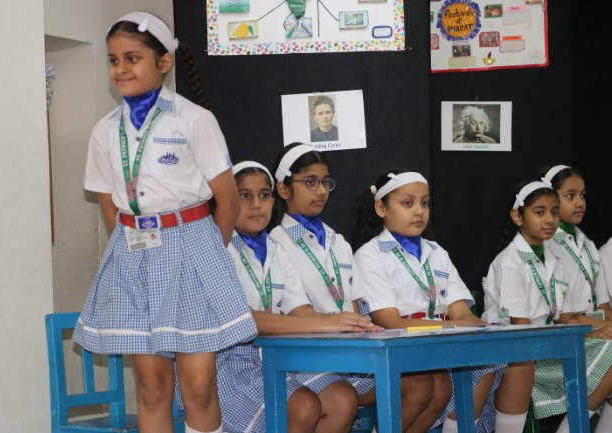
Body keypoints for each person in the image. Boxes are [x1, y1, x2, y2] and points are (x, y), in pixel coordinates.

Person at [71, 12, 258, 433]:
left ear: (164, 62)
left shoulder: (193, 120)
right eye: (113, 60)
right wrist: (133, 242)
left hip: (193, 247)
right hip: (134, 253)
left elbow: (227, 202)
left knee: (198, 386)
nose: (121, 69)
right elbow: (107, 201)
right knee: (152, 385)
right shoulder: (105, 131)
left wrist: (204, 254)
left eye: (132, 58)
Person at [269, 143, 439, 433]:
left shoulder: (339, 242)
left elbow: (357, 304)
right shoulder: (276, 243)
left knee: (423, 384)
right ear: (284, 189)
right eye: (310, 182)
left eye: (325, 182)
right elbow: (295, 314)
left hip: (350, 354)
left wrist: (365, 323)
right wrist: (340, 323)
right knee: (343, 399)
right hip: (305, 359)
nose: (321, 191)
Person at [214, 160, 382, 433]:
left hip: (271, 356)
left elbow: (301, 311)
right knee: (303, 406)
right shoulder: (218, 248)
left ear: (273, 201)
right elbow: (244, 320)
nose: (256, 204)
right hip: (226, 363)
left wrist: (350, 322)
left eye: (263, 195)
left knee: (341, 399)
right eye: (244, 196)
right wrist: (331, 323)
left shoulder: (274, 249)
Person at [351, 168, 523, 433]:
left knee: (487, 366)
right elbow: (390, 322)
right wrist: (452, 327)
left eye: (425, 203)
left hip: (436, 349)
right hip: (392, 352)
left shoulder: (437, 252)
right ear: (381, 208)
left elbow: (461, 311)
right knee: (433, 385)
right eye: (407, 203)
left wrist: (485, 330)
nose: (419, 211)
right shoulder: (370, 255)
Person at [482, 180, 612, 433]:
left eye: (554, 212)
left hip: (546, 344)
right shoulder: (510, 262)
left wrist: (594, 332)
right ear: (517, 216)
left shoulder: (553, 259)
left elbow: (564, 318)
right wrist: (589, 335)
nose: (550, 219)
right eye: (539, 212)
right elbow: (522, 329)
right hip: (516, 349)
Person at [538, 164, 612, 321]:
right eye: (570, 196)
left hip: (593, 325)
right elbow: (560, 319)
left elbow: (603, 307)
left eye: (582, 195)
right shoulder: (544, 245)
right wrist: (599, 328)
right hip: (566, 330)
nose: (580, 203)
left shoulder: (587, 245)